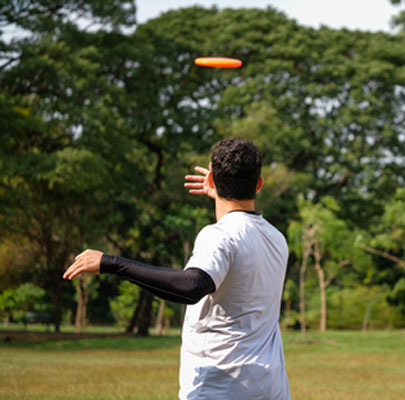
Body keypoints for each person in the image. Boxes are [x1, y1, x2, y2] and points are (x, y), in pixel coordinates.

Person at [63, 138, 290, 400]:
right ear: (259, 184)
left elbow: (191, 286)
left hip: (220, 387)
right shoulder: (276, 239)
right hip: (270, 387)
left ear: (213, 182)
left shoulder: (219, 235)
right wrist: (221, 189)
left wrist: (112, 263)